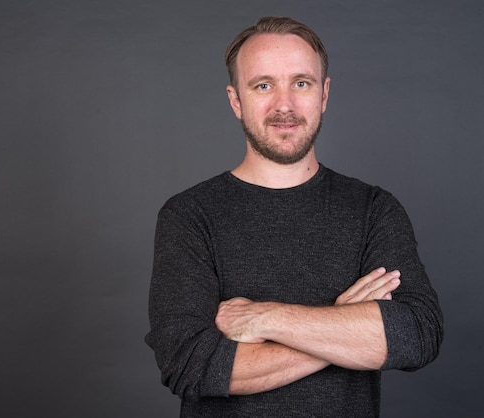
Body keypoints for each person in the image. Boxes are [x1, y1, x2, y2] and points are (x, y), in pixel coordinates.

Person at [145, 16, 443, 417]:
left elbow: (416, 335)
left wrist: (266, 318)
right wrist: (342, 327)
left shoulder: (373, 210)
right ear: (236, 101)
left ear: (324, 94)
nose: (283, 105)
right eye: (263, 85)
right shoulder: (189, 215)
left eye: (301, 83)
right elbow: (192, 366)